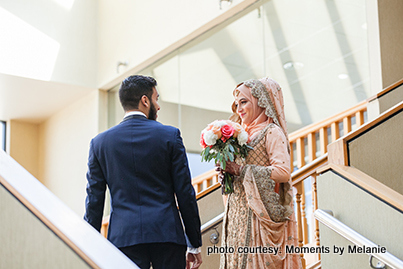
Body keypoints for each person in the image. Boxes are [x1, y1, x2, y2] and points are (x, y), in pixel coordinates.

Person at [84, 75, 202, 269]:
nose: (158, 105)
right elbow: (185, 193)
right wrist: (194, 243)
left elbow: (94, 201)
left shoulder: (100, 143)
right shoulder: (170, 135)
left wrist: (89, 244)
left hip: (123, 239)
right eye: (156, 99)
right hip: (167, 235)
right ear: (145, 101)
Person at [218, 77, 302, 268]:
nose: (239, 108)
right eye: (237, 104)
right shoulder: (238, 136)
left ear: (260, 102)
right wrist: (226, 173)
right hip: (236, 215)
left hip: (259, 215)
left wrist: (241, 170)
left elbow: (283, 172)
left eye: (244, 102)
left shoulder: (271, 132)